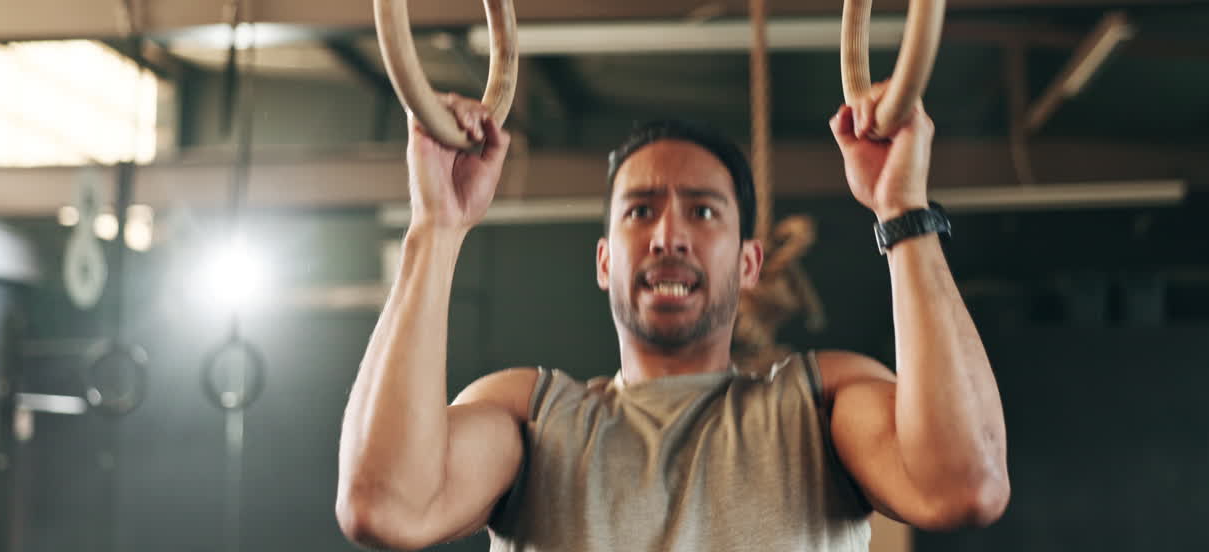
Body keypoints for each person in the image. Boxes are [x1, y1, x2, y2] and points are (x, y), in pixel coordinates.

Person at [336, 91, 1009, 552]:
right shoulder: (530, 418)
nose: (668, 235)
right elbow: (383, 506)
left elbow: (966, 486)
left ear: (750, 263)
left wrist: (903, 211)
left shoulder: (822, 404)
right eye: (639, 210)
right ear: (604, 260)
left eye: (704, 211)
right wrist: (436, 226)